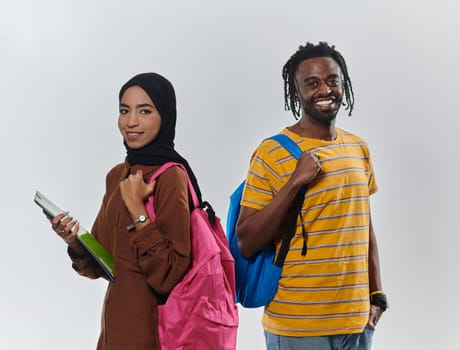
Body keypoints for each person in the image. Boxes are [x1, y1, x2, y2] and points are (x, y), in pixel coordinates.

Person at [236, 42, 388, 350]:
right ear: (295, 93)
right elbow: (246, 240)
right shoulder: (271, 153)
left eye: (332, 80)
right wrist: (295, 182)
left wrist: (377, 295)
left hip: (357, 323)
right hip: (298, 327)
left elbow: (364, 226)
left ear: (343, 84)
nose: (325, 90)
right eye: (312, 83)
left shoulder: (358, 148)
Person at [47, 72, 203, 349]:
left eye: (144, 111)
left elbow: (169, 275)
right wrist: (74, 241)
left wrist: (137, 210)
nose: (131, 122)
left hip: (156, 335)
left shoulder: (171, 177)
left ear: (165, 116)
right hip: (114, 332)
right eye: (124, 110)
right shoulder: (117, 175)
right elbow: (104, 264)